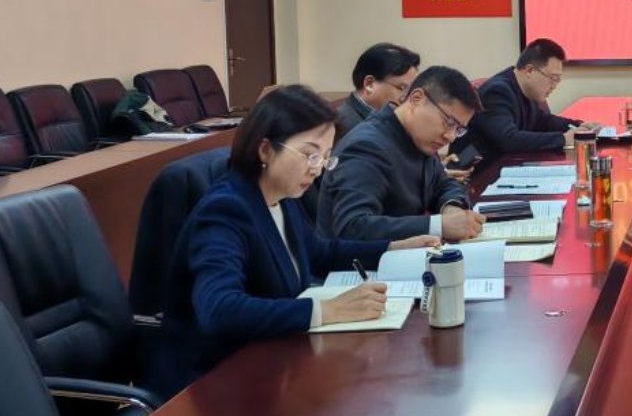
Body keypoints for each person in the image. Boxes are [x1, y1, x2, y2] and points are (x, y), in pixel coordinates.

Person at [159, 86, 439, 391]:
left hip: (275, 360)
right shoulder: (225, 210)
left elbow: (319, 252)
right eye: (309, 154)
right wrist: (328, 310)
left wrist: (393, 248)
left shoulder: (281, 196)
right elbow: (219, 309)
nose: (317, 169)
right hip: (219, 381)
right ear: (265, 149)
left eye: (325, 158)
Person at [317, 65, 487, 242]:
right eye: (449, 122)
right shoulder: (366, 146)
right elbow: (352, 227)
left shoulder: (418, 137)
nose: (450, 137)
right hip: (362, 259)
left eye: (459, 129)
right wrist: (438, 226)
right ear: (417, 98)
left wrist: (451, 208)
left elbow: (443, 184)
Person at [462, 37, 598, 160]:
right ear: (529, 71)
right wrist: (563, 139)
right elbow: (509, 139)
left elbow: (543, 121)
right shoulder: (497, 91)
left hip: (504, 164)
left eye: (558, 80)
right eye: (553, 78)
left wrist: (578, 126)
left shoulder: (524, 90)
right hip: (476, 170)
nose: (554, 86)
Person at [336, 42, 420, 140]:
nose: (406, 98)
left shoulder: (387, 119)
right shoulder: (345, 126)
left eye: (410, 90)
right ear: (369, 84)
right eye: (402, 88)